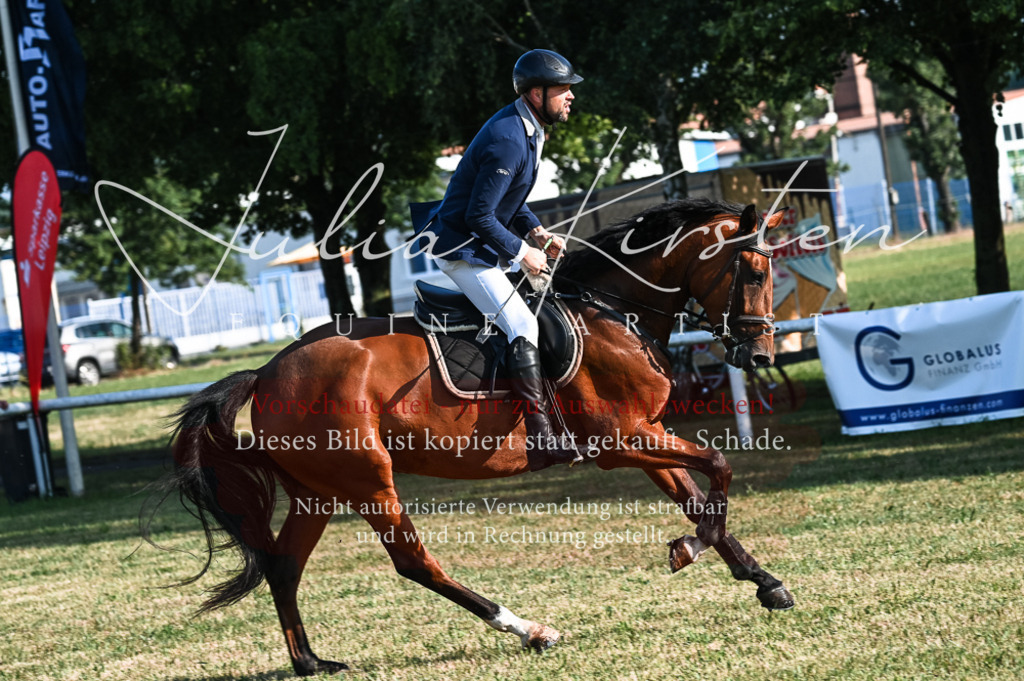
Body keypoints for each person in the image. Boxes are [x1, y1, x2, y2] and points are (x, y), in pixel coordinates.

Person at [420, 49, 583, 470]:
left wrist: (535, 231)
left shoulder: (528, 128)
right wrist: (521, 251)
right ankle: (541, 438)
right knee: (523, 323)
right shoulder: (509, 139)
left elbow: (510, 201)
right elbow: (479, 215)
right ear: (535, 93)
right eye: (563, 90)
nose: (570, 97)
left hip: (482, 239)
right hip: (462, 249)